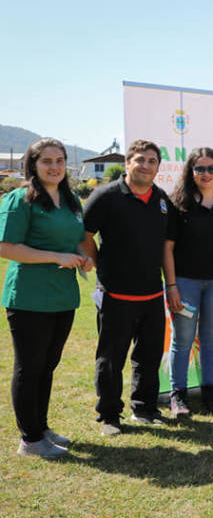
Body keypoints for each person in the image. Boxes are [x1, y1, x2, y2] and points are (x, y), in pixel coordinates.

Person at [1, 138, 93, 457]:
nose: (54, 167)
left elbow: (78, 242)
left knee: (47, 366)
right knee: (30, 367)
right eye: (46, 161)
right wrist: (55, 255)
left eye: (60, 160)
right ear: (33, 165)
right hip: (29, 297)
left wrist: (84, 256)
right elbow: (7, 247)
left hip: (63, 297)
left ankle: (41, 427)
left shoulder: (71, 201)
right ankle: (30, 440)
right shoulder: (19, 199)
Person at [82, 139, 177, 436]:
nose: (146, 166)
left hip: (152, 294)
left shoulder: (162, 200)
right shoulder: (105, 196)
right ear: (128, 163)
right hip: (116, 295)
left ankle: (144, 408)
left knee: (148, 356)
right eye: (140, 160)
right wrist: (101, 265)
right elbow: (85, 235)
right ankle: (109, 416)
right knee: (111, 358)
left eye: (152, 161)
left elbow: (166, 246)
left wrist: (170, 284)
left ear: (158, 167)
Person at [166, 148, 213, 417]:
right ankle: (178, 395)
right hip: (185, 283)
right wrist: (171, 284)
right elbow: (168, 247)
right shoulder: (178, 203)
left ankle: (210, 391)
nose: (206, 174)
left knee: (210, 339)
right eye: (200, 169)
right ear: (191, 172)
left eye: (212, 169)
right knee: (183, 339)